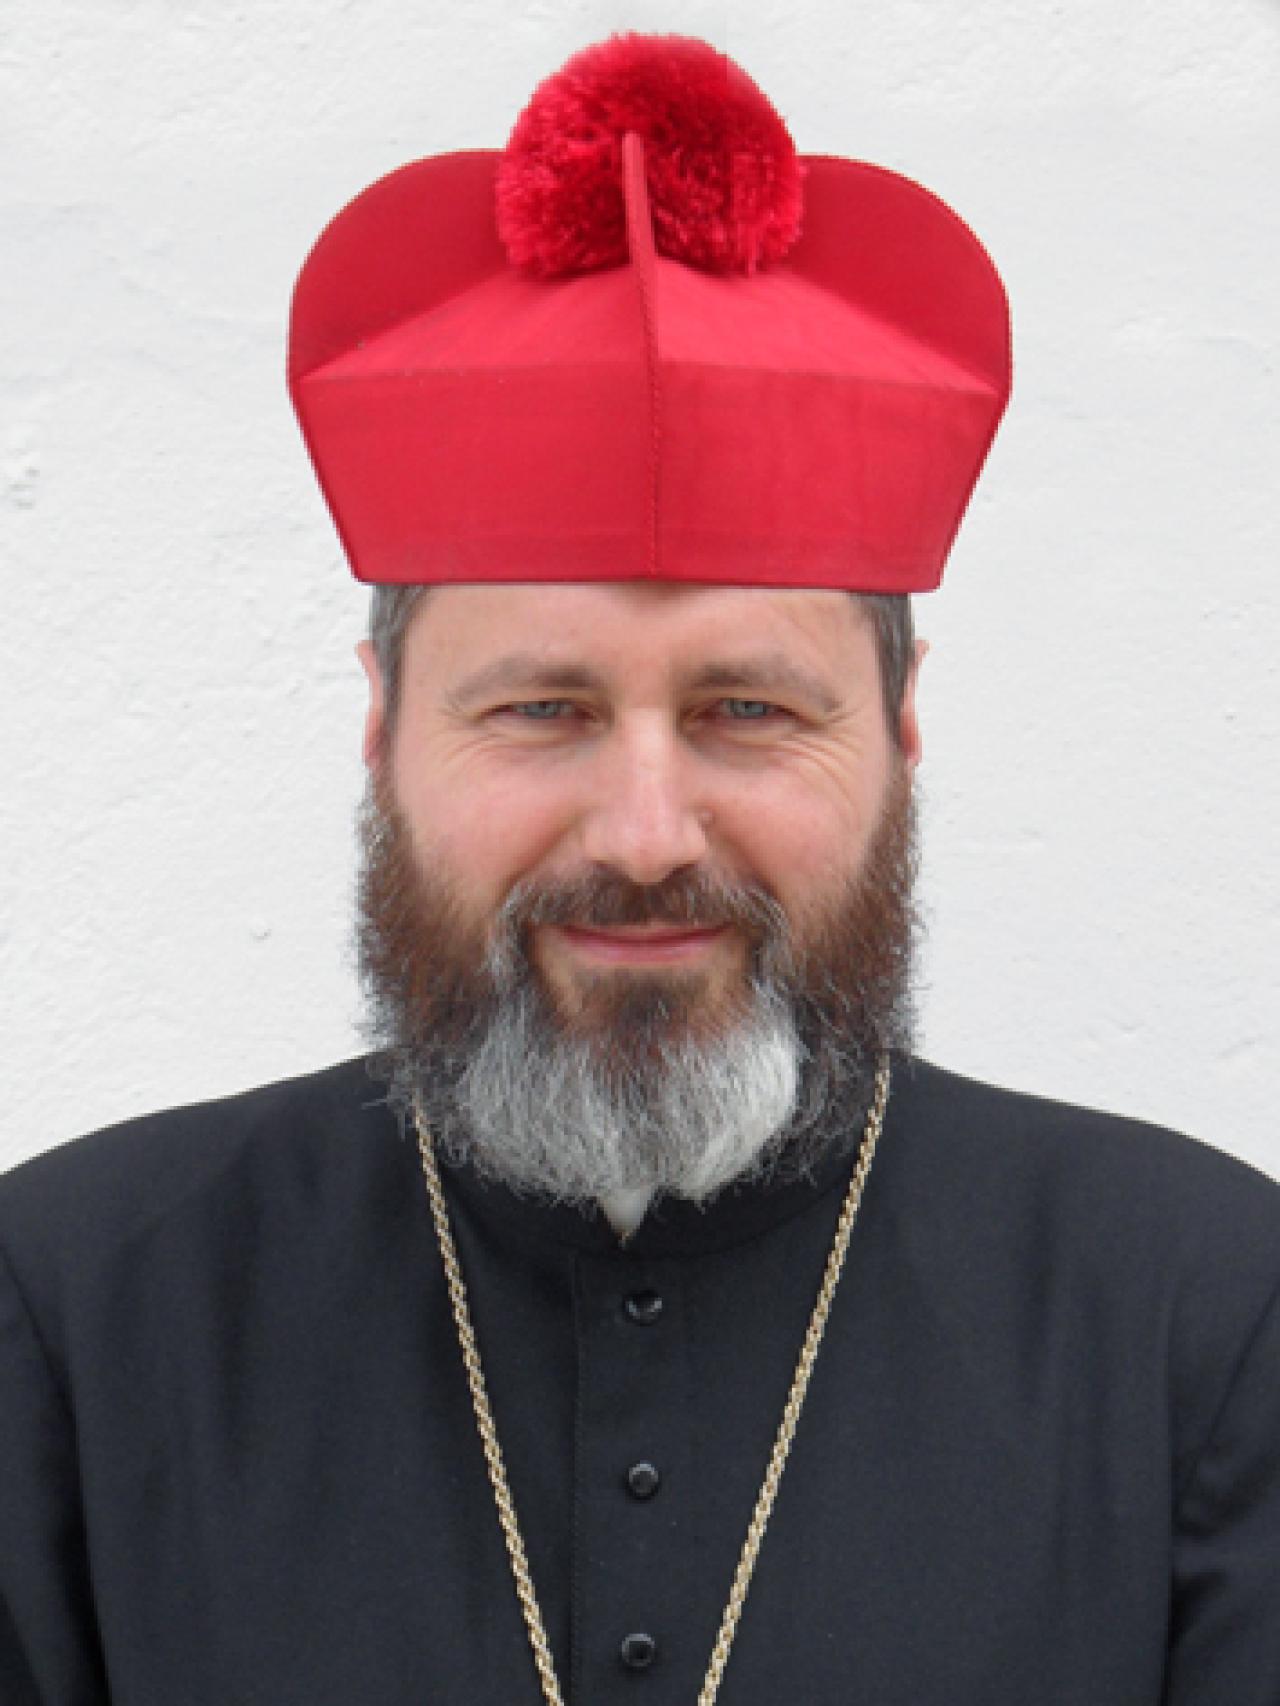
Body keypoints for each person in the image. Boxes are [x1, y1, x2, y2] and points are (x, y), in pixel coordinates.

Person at [1, 32, 1277, 1706]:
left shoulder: (1207, 1311)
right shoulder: (70, 1307)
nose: (646, 831)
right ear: (382, 727)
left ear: (902, 728)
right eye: (543, 710)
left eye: (749, 710)